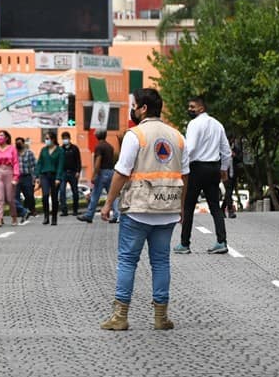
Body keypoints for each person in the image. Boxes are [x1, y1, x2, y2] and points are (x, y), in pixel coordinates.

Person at [98, 87, 189, 331]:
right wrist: (181, 208)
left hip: (138, 208)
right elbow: (185, 176)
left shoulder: (135, 135)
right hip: (168, 207)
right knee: (161, 262)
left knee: (127, 261)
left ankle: (120, 316)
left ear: (144, 108)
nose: (133, 109)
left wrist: (108, 204)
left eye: (135, 105)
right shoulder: (177, 137)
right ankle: (161, 317)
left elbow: (121, 173)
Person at [174, 96, 231, 255]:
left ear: (201, 108)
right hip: (214, 168)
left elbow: (190, 148)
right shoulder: (217, 124)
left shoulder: (193, 124)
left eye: (192, 107)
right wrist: (224, 169)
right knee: (215, 206)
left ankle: (185, 244)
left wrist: (181, 166)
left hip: (197, 168)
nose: (190, 109)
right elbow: (226, 150)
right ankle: (221, 241)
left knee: (188, 206)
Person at [78, 129, 116, 223]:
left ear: (97, 136)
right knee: (112, 195)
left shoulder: (99, 147)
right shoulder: (110, 146)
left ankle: (89, 215)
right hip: (111, 171)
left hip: (102, 172)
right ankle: (117, 215)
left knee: (95, 195)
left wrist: (94, 174)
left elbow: (98, 160)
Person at [35, 131, 65, 225]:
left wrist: (58, 178)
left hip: (54, 175)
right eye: (45, 138)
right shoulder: (43, 150)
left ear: (53, 139)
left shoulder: (60, 151)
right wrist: (37, 176)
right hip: (44, 175)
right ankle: (46, 216)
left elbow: (61, 165)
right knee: (45, 196)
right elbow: (39, 163)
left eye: (48, 138)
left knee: (54, 197)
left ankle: (54, 218)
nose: (46, 140)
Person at [58, 131, 81, 216]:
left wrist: (78, 171)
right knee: (62, 191)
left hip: (73, 172)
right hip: (63, 173)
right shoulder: (60, 149)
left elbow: (78, 161)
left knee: (75, 191)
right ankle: (64, 210)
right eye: (63, 138)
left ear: (69, 138)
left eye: (66, 138)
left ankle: (75, 210)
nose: (65, 140)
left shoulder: (75, 148)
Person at [14, 137, 36, 221]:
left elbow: (35, 165)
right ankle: (21, 212)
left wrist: (34, 177)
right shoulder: (14, 153)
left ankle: (31, 209)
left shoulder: (29, 153)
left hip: (27, 177)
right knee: (16, 195)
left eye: (19, 143)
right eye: (17, 143)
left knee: (29, 195)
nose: (18, 144)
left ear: (23, 143)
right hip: (17, 177)